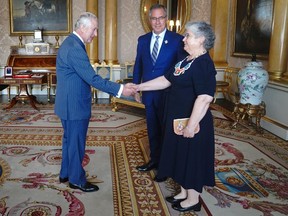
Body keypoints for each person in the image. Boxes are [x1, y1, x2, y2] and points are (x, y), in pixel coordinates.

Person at [136, 21, 216, 212]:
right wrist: (139, 86)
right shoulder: (186, 60)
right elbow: (165, 80)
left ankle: (193, 199)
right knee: (180, 156)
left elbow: (205, 98)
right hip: (178, 122)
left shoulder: (204, 64)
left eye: (188, 35)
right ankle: (183, 192)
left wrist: (191, 125)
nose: (184, 39)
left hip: (193, 123)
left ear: (201, 39)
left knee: (192, 159)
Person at [54, 12, 136, 192]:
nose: (95, 34)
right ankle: (76, 179)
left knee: (69, 140)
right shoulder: (74, 47)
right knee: (75, 142)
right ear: (82, 28)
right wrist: (121, 90)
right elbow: (92, 78)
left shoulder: (71, 43)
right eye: (94, 29)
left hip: (68, 103)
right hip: (74, 106)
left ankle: (65, 173)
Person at [132, 4, 186, 182]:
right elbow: (138, 64)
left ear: (166, 19)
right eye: (154, 18)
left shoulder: (178, 40)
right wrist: (135, 88)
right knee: (152, 129)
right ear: (150, 20)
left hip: (168, 94)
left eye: (161, 18)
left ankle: (166, 166)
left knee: (167, 131)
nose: (157, 22)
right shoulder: (142, 39)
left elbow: (180, 69)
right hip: (148, 93)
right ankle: (154, 160)